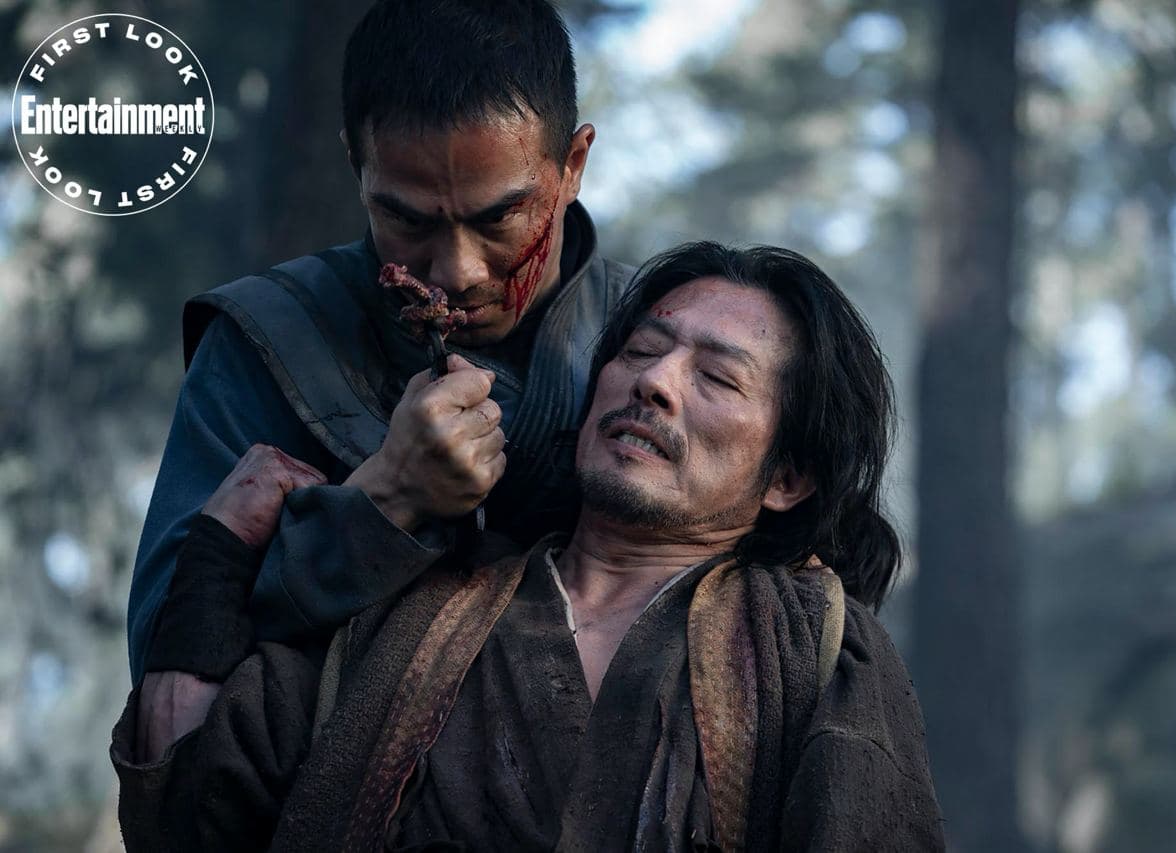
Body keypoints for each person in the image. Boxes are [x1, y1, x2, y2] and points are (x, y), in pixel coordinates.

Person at [112, 243, 945, 851]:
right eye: (641, 349)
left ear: (787, 477)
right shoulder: (408, 613)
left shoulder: (814, 648)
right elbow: (194, 815)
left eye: (718, 378)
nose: (654, 381)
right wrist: (217, 555)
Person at [126, 0, 637, 691]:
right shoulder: (268, 339)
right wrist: (388, 498)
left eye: (500, 218)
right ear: (357, 165)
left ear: (573, 164)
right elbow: (169, 656)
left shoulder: (662, 345)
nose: (457, 271)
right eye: (407, 219)